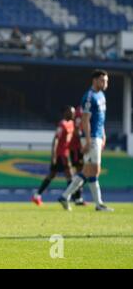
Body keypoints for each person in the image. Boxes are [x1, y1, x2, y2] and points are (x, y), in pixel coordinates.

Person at [58, 70, 114, 212]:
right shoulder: (89, 97)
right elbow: (85, 120)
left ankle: (65, 196)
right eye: (103, 80)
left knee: (88, 171)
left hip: (97, 135)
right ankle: (98, 204)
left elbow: (101, 119)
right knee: (94, 170)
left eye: (106, 80)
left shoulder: (101, 95)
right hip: (91, 137)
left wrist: (104, 134)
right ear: (95, 80)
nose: (105, 83)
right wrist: (88, 140)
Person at [31, 106, 75, 206]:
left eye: (73, 112)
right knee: (70, 176)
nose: (73, 114)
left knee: (52, 175)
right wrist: (54, 156)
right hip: (61, 154)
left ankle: (37, 196)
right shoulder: (62, 124)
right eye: (71, 112)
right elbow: (56, 140)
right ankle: (69, 198)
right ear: (66, 113)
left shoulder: (71, 124)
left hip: (66, 153)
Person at [68, 105, 87, 205]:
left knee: (82, 172)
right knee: (81, 172)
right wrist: (83, 139)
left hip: (77, 147)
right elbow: (77, 130)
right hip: (76, 148)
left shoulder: (82, 110)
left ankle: (75, 196)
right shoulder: (81, 111)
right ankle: (74, 197)